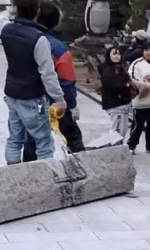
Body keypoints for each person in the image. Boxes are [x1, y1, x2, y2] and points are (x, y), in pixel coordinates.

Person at [0, 0, 67, 164]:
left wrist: (11, 11)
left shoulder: (7, 30)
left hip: (12, 93)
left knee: (14, 139)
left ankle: (13, 175)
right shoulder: (39, 39)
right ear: (36, 12)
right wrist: (59, 99)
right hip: (31, 96)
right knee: (43, 143)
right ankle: (45, 179)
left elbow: (2, 17)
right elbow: (47, 74)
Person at [20, 1, 85, 161]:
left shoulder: (26, 40)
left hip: (30, 98)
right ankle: (81, 168)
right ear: (56, 22)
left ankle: (27, 175)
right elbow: (66, 81)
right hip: (54, 102)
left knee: (32, 140)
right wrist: (71, 105)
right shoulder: (59, 49)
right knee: (73, 137)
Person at [128, 40, 150, 155]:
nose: (148, 52)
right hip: (141, 100)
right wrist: (148, 86)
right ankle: (131, 145)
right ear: (142, 51)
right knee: (138, 125)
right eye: (146, 50)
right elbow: (133, 79)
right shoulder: (137, 64)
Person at [100, 47, 135, 142]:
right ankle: (113, 148)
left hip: (124, 103)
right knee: (117, 129)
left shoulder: (121, 68)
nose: (117, 56)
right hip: (115, 103)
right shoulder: (106, 69)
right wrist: (126, 85)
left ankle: (119, 147)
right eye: (114, 54)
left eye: (118, 54)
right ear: (108, 55)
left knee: (123, 130)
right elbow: (111, 85)